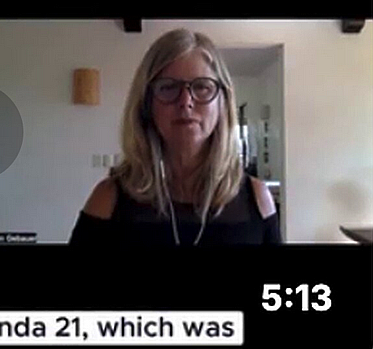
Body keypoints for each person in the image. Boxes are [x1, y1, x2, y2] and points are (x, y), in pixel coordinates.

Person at [69, 29, 280, 245]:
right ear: (146, 104)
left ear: (222, 103)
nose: (186, 101)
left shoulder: (257, 200)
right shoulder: (107, 201)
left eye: (202, 87)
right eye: (168, 87)